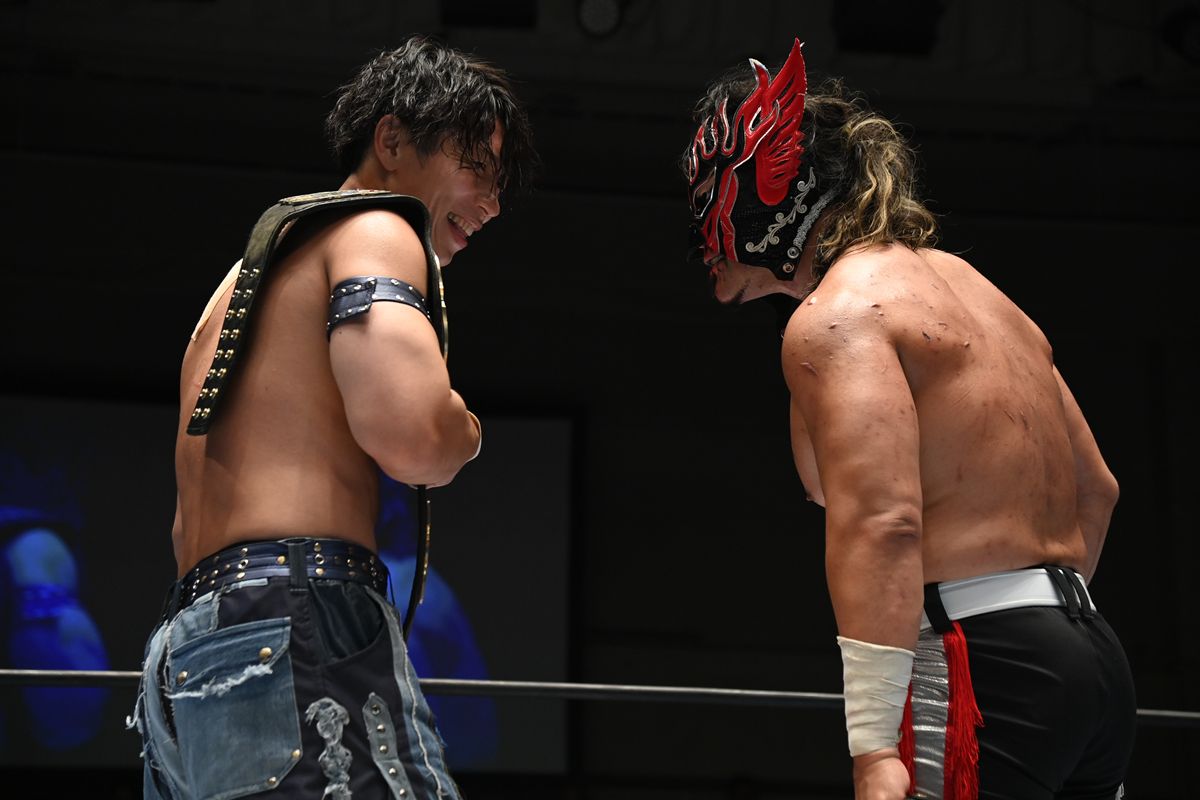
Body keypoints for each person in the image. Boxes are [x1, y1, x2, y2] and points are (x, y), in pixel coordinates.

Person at [682, 39, 1135, 800]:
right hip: (1092, 660)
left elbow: (883, 521)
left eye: (706, 190)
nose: (696, 223)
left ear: (774, 180)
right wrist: (1036, 621)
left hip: (982, 663)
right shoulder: (979, 292)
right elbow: (1098, 490)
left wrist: (873, 748)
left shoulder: (840, 315)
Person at [128, 34, 537, 800]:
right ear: (392, 140)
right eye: (477, 166)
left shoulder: (238, 284)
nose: (491, 203)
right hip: (289, 619)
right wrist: (466, 430)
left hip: (189, 646)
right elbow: (413, 433)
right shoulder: (376, 227)